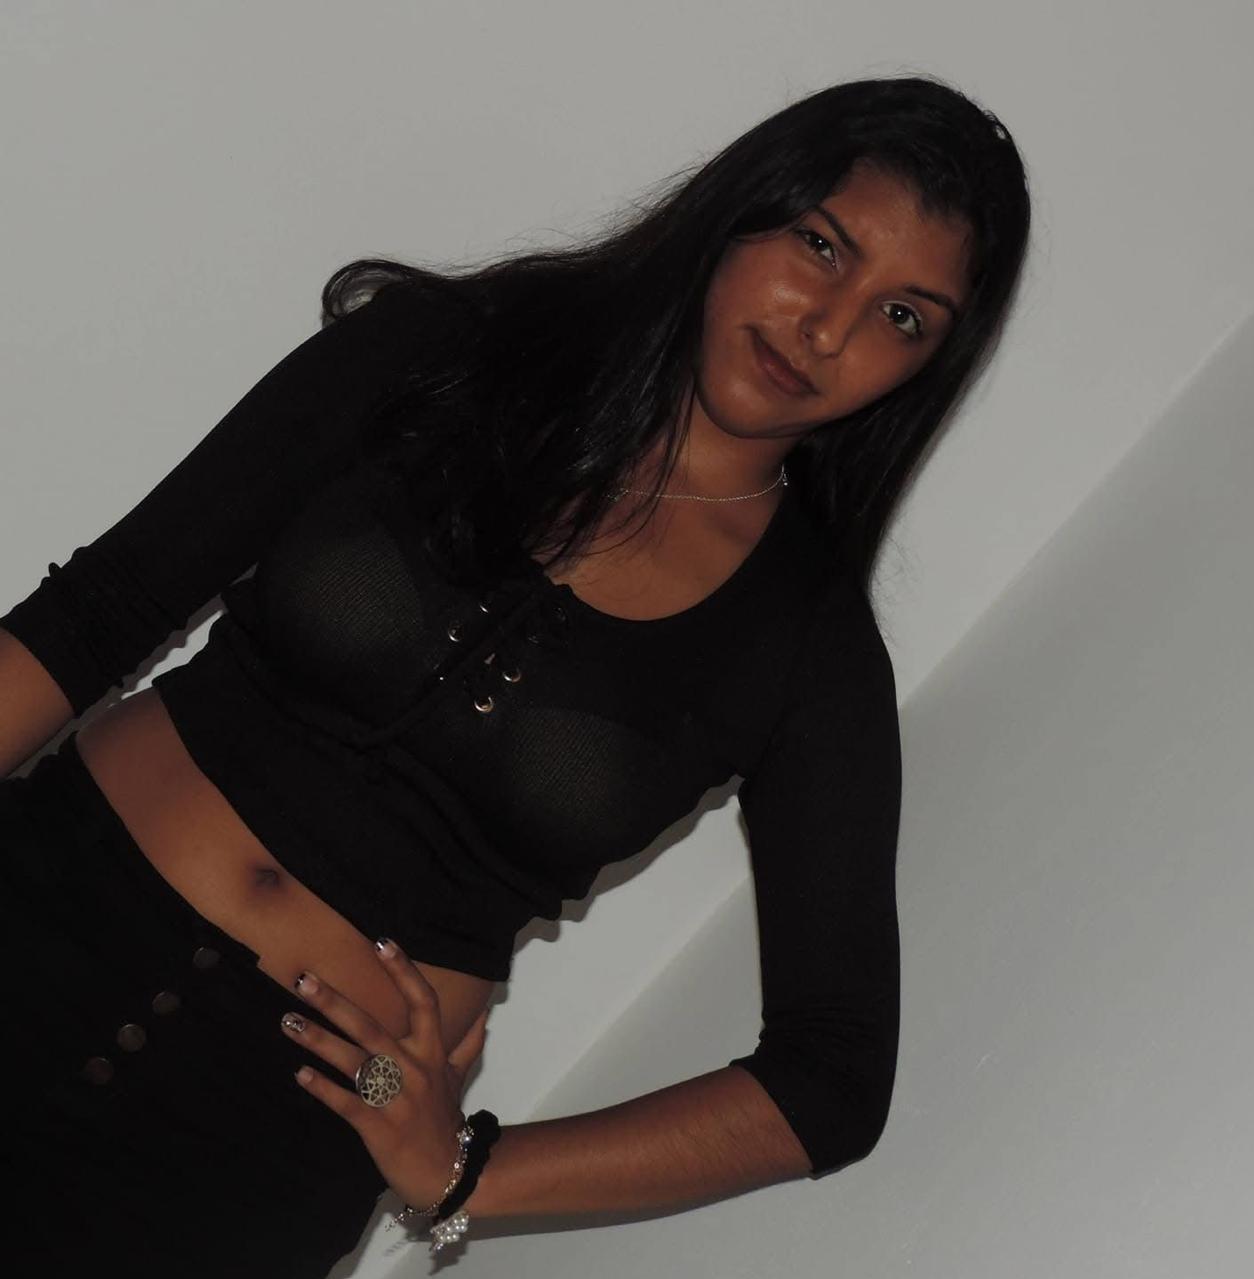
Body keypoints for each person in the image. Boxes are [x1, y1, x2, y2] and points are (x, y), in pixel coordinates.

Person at [0, 75, 1030, 1274]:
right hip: (39, 907)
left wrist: (462, 1170)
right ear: (742, 209)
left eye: (901, 316)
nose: (827, 329)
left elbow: (832, 1076)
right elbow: (93, 614)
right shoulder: (445, 353)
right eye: (820, 246)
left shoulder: (809, 653)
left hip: (252, 1156)